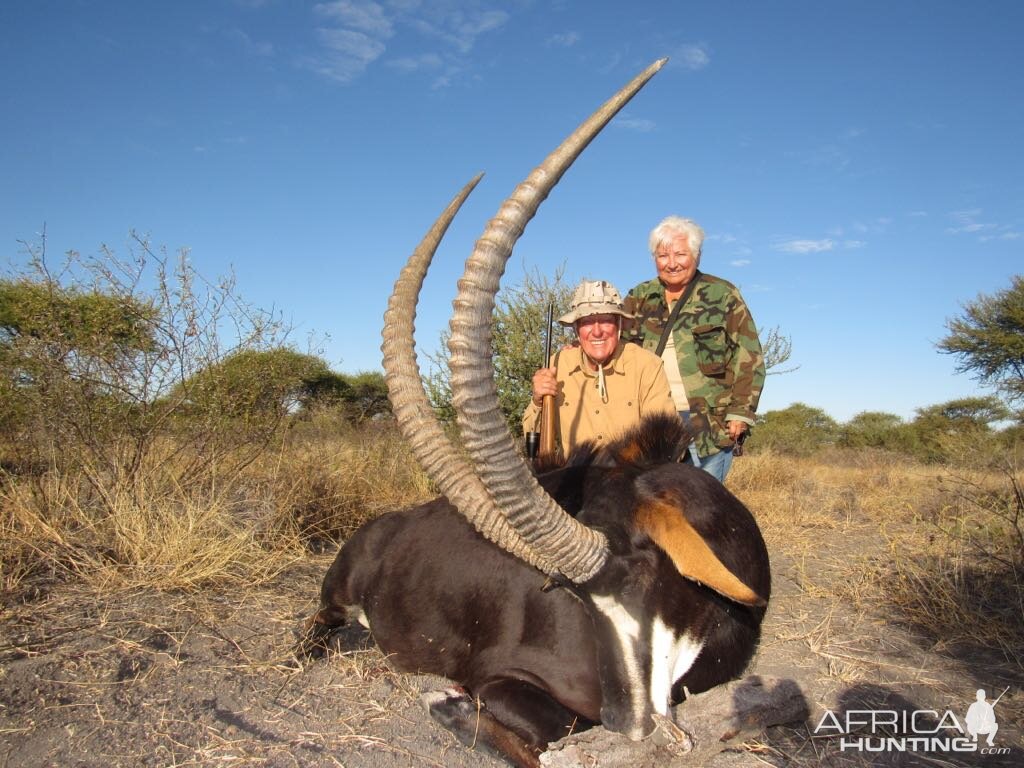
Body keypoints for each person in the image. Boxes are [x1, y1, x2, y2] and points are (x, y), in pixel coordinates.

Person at [623, 216, 765, 482]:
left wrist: (740, 413)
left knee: (704, 505)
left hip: (709, 422)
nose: (672, 263)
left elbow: (749, 357)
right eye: (663, 255)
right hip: (653, 419)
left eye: (680, 254)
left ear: (696, 256)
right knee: (656, 502)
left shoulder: (722, 294)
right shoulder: (638, 297)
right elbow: (614, 348)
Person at [523, 279, 678, 456]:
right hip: (576, 477)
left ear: (619, 325)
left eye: (605, 320)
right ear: (576, 329)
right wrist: (537, 401)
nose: (597, 332)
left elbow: (667, 441)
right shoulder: (556, 365)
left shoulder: (647, 365)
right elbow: (531, 437)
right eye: (587, 322)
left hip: (631, 477)